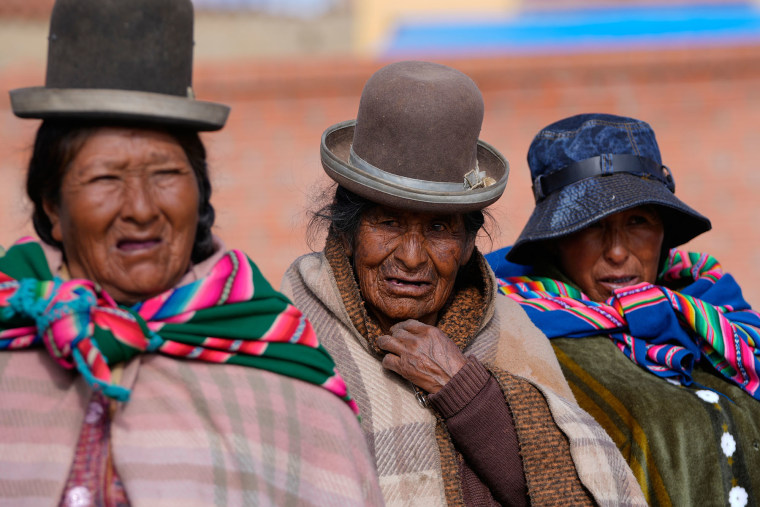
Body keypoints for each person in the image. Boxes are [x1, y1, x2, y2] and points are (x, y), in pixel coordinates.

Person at [0, 1, 383, 505]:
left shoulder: (275, 359)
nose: (140, 209)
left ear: (200, 194)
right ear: (51, 206)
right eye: (105, 178)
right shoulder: (13, 331)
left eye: (165, 174)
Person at [282, 61, 645, 506]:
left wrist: (466, 392)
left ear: (471, 242)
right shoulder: (290, 334)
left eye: (439, 229)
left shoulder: (512, 333)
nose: (412, 258)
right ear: (346, 231)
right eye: (388, 223)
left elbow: (576, 492)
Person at [488, 113, 760, 507]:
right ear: (555, 241)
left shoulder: (718, 315)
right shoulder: (523, 341)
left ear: (663, 233)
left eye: (638, 221)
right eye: (592, 225)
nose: (617, 251)